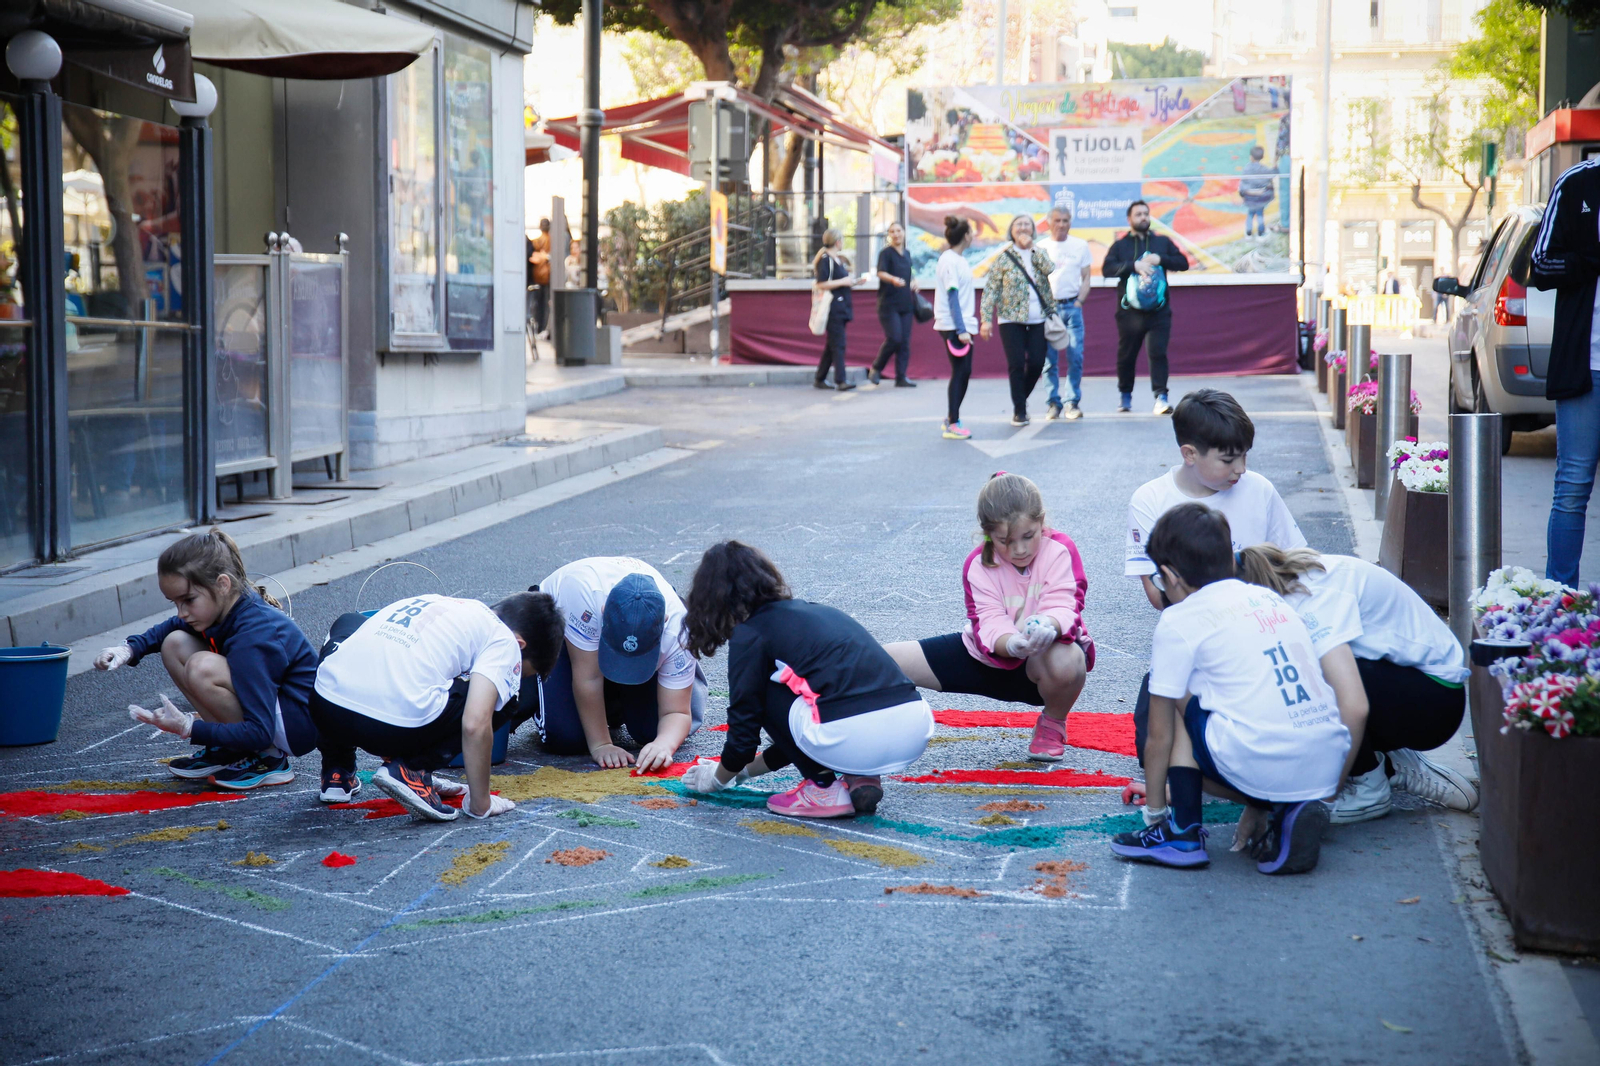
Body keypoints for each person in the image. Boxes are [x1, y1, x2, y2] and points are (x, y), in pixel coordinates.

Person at [1110, 504, 1351, 875]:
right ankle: (1288, 809)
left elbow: (1159, 737)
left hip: (1260, 759)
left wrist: (1154, 813)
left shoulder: (1178, 620)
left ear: (1171, 576)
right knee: (1220, 695)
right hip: (1327, 762)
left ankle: (1180, 832)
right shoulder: (1269, 596)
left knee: (1179, 694)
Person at [679, 541, 933, 818]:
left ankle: (823, 788)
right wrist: (742, 774)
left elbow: (745, 732)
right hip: (913, 726)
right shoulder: (820, 613)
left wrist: (717, 777)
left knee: (766, 688)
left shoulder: (751, 634)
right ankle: (861, 776)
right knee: (825, 700)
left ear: (711, 598)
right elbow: (796, 741)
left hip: (854, 734)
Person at [1238, 546, 1479, 822]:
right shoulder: (1284, 581)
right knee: (1299, 675)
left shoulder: (1310, 601)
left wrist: (1323, 796)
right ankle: (1387, 766)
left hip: (1436, 702)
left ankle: (1369, 786)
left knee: (1309, 680)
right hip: (1413, 684)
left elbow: (1354, 708)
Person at [883, 472, 1092, 762]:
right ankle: (877, 730)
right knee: (881, 660)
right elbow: (989, 621)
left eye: (1028, 537)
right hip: (988, 656)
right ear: (987, 534)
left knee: (1069, 659)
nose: (1019, 549)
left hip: (1045, 664)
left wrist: (1050, 625)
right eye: (1005, 541)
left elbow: (1066, 603)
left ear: (1041, 522)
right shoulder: (978, 564)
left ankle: (1053, 724)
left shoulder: (1060, 550)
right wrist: (1012, 644)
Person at [95, 529, 319, 791]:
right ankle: (231, 749)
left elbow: (260, 729)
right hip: (274, 713)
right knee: (174, 644)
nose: (182, 612)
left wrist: (190, 728)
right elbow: (170, 627)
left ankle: (268, 758)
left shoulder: (254, 635)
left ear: (222, 584)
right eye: (175, 602)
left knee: (202, 667)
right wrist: (129, 649)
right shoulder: (225, 606)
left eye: (188, 600)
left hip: (293, 727)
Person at [311, 592, 564, 820]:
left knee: (349, 627)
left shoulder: (451, 605)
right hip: (386, 726)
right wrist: (481, 803)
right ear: (520, 645)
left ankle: (337, 768)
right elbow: (475, 724)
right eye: (523, 673)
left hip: (325, 708)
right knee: (505, 700)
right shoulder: (505, 640)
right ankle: (413, 769)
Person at [1126, 389, 1305, 612]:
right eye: (1228, 460)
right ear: (1189, 454)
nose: (1241, 469)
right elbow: (1156, 592)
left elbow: (1297, 563)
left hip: (1264, 619)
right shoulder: (1150, 500)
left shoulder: (1259, 489)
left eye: (1244, 455)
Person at [528, 557, 708, 769]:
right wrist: (601, 744)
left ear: (664, 622)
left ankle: (615, 701)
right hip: (568, 628)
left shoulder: (680, 630)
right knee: (567, 737)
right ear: (603, 612)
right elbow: (588, 678)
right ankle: (532, 689)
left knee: (654, 731)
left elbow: (677, 711)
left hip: (637, 632)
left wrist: (664, 744)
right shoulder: (583, 599)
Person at [1529, 156, 1600, 585]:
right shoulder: (1577, 184)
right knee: (1573, 486)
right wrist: (1591, 259)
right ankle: (1561, 599)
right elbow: (1539, 265)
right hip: (1585, 364)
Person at [1102, 200, 1189, 414]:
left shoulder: (1162, 242)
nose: (1143, 217)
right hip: (1129, 312)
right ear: (1129, 219)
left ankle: (1161, 397)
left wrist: (1162, 259)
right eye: (1138, 214)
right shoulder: (1120, 245)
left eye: (1146, 214)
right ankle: (1125, 396)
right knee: (1127, 355)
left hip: (1159, 311)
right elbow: (1106, 269)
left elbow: (1183, 263)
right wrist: (1133, 266)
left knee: (1157, 352)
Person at [979, 214, 1058, 426]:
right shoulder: (1004, 257)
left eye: (1027, 225)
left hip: (1038, 318)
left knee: (1036, 362)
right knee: (1015, 364)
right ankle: (1020, 410)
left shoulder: (1039, 252)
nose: (1023, 228)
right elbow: (991, 290)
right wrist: (986, 319)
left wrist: (1033, 248)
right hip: (1010, 318)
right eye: (1018, 225)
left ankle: (1020, 398)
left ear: (1033, 229)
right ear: (1011, 231)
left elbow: (1050, 269)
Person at [1034, 204, 1093, 420]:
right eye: (1057, 220)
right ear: (1049, 222)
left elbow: (1086, 277)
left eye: (1065, 221)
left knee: (1075, 356)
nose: (1061, 225)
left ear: (1070, 223)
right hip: (1049, 310)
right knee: (1049, 360)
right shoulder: (1040, 247)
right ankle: (1053, 403)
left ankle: (1072, 403)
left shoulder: (1080, 245)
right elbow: (1035, 281)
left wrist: (1079, 302)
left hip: (1072, 308)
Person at [934, 215, 977, 440]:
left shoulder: (960, 260)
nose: (974, 236)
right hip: (953, 326)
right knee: (961, 372)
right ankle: (953, 422)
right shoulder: (949, 260)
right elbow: (953, 297)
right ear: (966, 235)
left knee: (963, 372)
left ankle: (951, 417)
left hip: (961, 325)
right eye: (972, 232)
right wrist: (961, 329)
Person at [813, 228, 863, 392]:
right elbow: (821, 283)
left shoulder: (837, 260)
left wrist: (853, 282)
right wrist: (844, 281)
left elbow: (841, 281)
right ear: (837, 241)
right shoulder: (826, 259)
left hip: (841, 306)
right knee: (839, 344)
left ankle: (820, 377)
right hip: (833, 307)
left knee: (832, 345)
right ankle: (840, 380)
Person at [870, 220, 917, 388]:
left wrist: (913, 282)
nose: (896, 234)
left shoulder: (907, 253)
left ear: (904, 233)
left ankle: (901, 377)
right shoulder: (886, 253)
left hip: (906, 304)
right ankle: (876, 367)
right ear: (889, 235)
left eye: (898, 231)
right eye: (892, 232)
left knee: (904, 342)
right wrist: (893, 279)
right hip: (888, 304)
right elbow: (880, 272)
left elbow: (909, 274)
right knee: (894, 338)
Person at [1238, 146, 1276, 239]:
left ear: (1251, 157)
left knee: (1250, 214)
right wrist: (1275, 167)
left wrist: (1242, 194)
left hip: (1249, 197)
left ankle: (1248, 233)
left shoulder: (1246, 169)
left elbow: (1243, 183)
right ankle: (1261, 233)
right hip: (1260, 198)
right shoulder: (1264, 169)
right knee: (1260, 215)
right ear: (1262, 157)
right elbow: (1272, 175)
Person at [528, 219, 552, 338]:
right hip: (547, 276)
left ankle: (538, 327)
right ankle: (542, 327)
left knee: (537, 303)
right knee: (545, 303)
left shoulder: (536, 242)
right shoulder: (552, 240)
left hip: (537, 276)